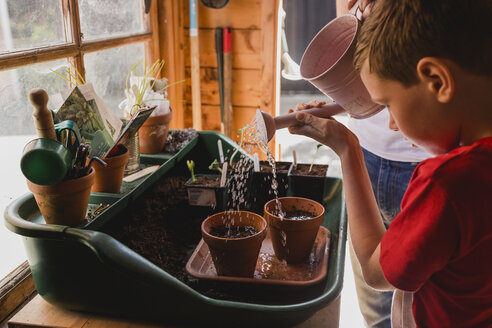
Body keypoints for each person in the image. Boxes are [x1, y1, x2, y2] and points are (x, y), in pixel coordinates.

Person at [288, 0, 492, 327]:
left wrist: (347, 146)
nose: (392, 124)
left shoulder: (446, 187)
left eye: (387, 104)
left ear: (437, 81)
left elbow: (373, 268)